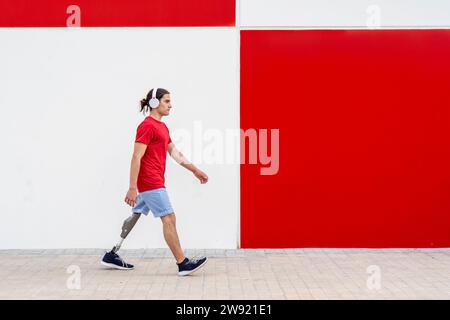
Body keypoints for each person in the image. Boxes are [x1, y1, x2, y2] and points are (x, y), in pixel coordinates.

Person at [101, 87, 209, 276]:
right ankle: (182, 263)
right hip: (150, 182)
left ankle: (112, 254)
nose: (171, 105)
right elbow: (136, 156)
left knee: (134, 216)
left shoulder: (163, 127)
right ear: (154, 103)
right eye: (166, 101)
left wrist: (195, 170)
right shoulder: (147, 126)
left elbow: (175, 153)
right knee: (169, 218)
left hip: (153, 181)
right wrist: (132, 187)